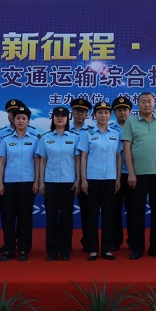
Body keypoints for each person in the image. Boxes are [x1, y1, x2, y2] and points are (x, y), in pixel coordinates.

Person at [121, 91, 156, 260]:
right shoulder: (131, 122)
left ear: (154, 103)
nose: (147, 104)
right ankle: (138, 247)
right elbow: (127, 149)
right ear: (138, 104)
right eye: (143, 102)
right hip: (138, 175)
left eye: (149, 101)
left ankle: (155, 248)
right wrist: (131, 172)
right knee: (137, 212)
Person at [77, 101, 122, 261]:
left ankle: (107, 249)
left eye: (106, 113)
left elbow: (118, 157)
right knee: (92, 215)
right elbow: (83, 157)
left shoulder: (115, 134)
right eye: (100, 113)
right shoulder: (87, 133)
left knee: (109, 215)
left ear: (110, 115)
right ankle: (93, 249)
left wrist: (118, 178)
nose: (103, 116)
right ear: (94, 115)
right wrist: (83, 179)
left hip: (110, 179)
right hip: (92, 179)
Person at [0, 105, 39, 262]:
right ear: (13, 120)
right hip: (9, 182)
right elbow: (1, 162)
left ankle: (23, 249)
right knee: (8, 217)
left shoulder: (35, 140)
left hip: (28, 182)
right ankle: (9, 249)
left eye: (24, 118)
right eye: (18, 118)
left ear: (28, 121)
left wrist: (37, 181)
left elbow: (37, 162)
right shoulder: (6, 140)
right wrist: (0, 183)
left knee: (25, 217)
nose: (20, 121)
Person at [36, 106, 80, 261]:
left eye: (63, 116)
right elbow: (42, 160)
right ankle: (51, 249)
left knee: (67, 217)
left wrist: (78, 179)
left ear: (68, 119)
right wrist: (41, 182)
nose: (60, 118)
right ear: (53, 118)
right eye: (57, 116)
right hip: (50, 182)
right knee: (52, 217)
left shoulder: (75, 137)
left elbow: (77, 160)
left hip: (69, 182)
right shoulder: (45, 138)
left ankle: (65, 249)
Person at [70, 97, 94, 254]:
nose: (80, 114)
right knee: (66, 213)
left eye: (83, 112)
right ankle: (65, 244)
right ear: (72, 113)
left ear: (87, 115)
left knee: (88, 212)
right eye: (77, 111)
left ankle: (88, 243)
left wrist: (83, 178)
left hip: (86, 177)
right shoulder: (64, 130)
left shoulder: (92, 132)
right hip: (67, 177)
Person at [110, 95, 133, 251]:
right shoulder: (109, 129)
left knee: (133, 210)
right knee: (114, 210)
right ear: (114, 113)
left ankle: (133, 240)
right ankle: (115, 240)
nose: (122, 112)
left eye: (125, 109)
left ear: (130, 112)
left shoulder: (136, 127)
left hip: (132, 174)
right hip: (115, 175)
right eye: (119, 110)